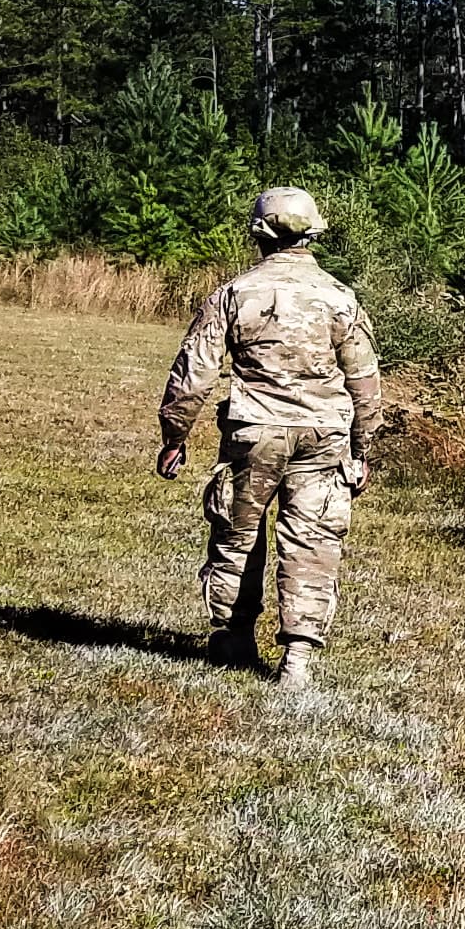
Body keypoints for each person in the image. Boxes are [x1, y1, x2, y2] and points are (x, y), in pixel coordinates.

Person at [156, 187, 382, 683]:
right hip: (324, 436)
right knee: (314, 538)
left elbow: (194, 374)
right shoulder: (340, 298)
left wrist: (174, 436)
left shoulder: (235, 294)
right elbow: (365, 384)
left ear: (258, 233)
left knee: (237, 533)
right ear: (313, 233)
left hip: (253, 432)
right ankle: (298, 657)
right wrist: (361, 452)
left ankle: (234, 638)